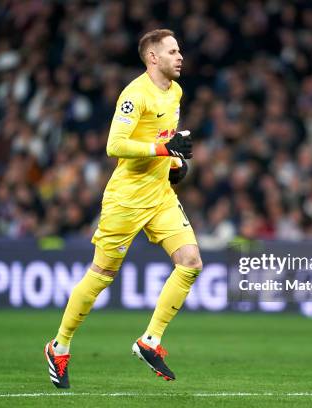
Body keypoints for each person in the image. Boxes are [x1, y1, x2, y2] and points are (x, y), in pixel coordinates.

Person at [44, 29, 202, 389]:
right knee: (101, 275)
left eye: (180, 50)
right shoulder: (134, 95)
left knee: (190, 262)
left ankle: (150, 340)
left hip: (160, 195)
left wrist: (174, 163)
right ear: (153, 58)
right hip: (126, 200)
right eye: (173, 51)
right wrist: (164, 152)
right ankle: (59, 346)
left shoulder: (175, 91)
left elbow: (164, 140)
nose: (180, 57)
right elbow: (115, 145)